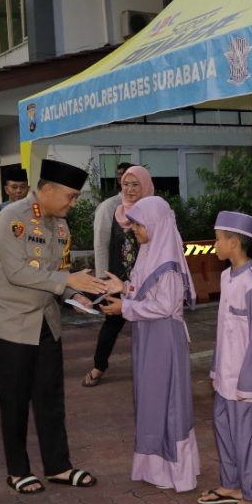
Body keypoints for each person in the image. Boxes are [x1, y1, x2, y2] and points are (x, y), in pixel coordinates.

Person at [0, 158, 108, 494]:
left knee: (50, 397)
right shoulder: (13, 218)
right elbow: (18, 272)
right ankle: (17, 469)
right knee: (15, 398)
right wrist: (68, 280)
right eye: (70, 195)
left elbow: (52, 275)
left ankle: (58, 466)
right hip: (10, 322)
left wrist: (74, 294)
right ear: (47, 190)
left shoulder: (59, 225)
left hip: (44, 320)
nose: (73, 202)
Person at [99, 195, 199, 491]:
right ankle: (155, 468)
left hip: (164, 337)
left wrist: (123, 308)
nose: (135, 231)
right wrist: (123, 288)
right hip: (148, 335)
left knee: (166, 400)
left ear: (155, 224)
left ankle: (173, 471)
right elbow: (145, 292)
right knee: (150, 399)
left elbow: (165, 307)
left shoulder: (167, 263)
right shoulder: (149, 252)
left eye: (139, 225)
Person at [198, 211, 252, 504]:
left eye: (217, 239)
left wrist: (247, 382)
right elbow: (222, 329)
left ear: (233, 242)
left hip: (247, 381)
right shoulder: (227, 277)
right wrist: (216, 369)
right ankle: (231, 484)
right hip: (225, 376)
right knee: (224, 430)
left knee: (247, 437)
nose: (214, 245)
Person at [84, 164, 151, 387]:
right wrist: (104, 279)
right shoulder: (109, 208)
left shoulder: (154, 208)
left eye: (135, 183)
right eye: (125, 183)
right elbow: (101, 244)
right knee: (112, 324)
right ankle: (98, 366)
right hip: (118, 280)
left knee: (149, 325)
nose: (130, 189)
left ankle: (149, 368)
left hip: (148, 281)